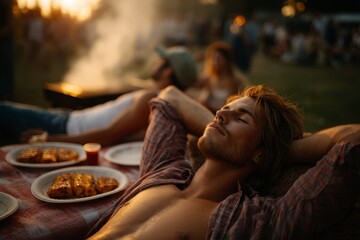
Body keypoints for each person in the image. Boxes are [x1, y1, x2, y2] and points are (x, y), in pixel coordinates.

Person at [87, 85, 359, 239]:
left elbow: (354, 139)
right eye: (223, 111)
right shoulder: (165, 171)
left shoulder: (254, 221)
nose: (220, 115)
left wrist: (280, 152)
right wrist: (225, 131)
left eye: (242, 118)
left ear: (260, 153)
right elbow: (169, 97)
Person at [0, 46, 197, 146]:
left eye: (160, 61)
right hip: (70, 119)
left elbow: (108, 136)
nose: (155, 63)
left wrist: (47, 140)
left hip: (65, 127)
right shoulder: (159, 100)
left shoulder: (151, 98)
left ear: (167, 72)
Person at [196, 41, 249, 113]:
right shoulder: (207, 78)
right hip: (208, 114)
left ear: (227, 60)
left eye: (218, 59)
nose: (215, 62)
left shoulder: (236, 81)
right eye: (213, 59)